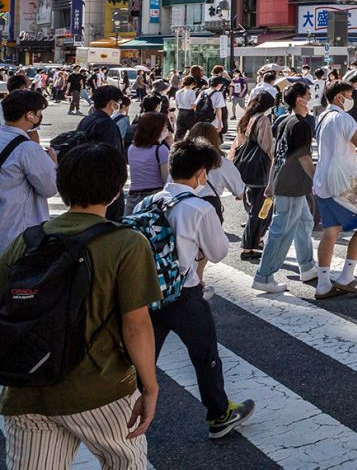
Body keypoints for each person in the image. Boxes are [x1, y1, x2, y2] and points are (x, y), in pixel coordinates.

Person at [0, 143, 157, 469]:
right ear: (117, 191)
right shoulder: (126, 243)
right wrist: (150, 386)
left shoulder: (29, 240)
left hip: (26, 389)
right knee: (125, 463)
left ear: (62, 186)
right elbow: (136, 325)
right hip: (99, 389)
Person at [150, 139, 255, 438]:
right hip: (184, 291)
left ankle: (119, 411)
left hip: (149, 290)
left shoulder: (152, 201)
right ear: (199, 174)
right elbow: (219, 251)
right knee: (204, 353)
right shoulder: (199, 207)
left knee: (144, 356)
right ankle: (219, 413)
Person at [312, 81, 357, 299]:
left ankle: (323, 283)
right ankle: (346, 276)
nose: (353, 101)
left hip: (323, 180)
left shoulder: (322, 117)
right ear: (340, 97)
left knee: (330, 231)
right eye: (351, 95)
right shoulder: (344, 118)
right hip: (344, 183)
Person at [253, 82, 318, 293]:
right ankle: (264, 275)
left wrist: (271, 182)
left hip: (285, 182)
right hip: (292, 185)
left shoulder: (283, 121)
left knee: (304, 223)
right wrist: (318, 181)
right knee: (281, 231)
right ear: (300, 99)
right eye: (309, 93)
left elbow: (276, 156)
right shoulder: (300, 124)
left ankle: (307, 266)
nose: (312, 95)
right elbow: (304, 158)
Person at [0, 90, 58, 249]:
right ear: (30, 115)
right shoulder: (28, 149)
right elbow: (49, 188)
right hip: (16, 233)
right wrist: (53, 163)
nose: (40, 116)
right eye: (39, 112)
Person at [230, 92, 275, 260]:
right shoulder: (262, 120)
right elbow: (267, 146)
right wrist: (274, 160)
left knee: (254, 207)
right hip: (260, 170)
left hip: (247, 168)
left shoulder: (248, 117)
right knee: (261, 209)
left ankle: (258, 240)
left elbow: (238, 143)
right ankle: (249, 245)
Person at [78, 85, 128, 221]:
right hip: (105, 188)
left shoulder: (86, 120)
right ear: (112, 103)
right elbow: (113, 158)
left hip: (85, 181)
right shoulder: (108, 125)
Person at [125, 112, 171, 215]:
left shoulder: (132, 149)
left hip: (133, 196)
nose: (166, 131)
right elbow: (166, 179)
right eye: (164, 128)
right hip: (154, 196)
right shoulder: (161, 150)